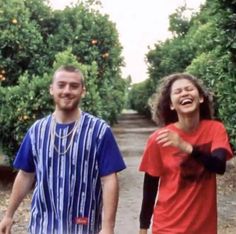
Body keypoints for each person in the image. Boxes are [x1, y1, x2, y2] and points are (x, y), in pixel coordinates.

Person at [0, 65, 126, 234]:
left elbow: (109, 180)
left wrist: (108, 227)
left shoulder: (99, 131)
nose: (67, 91)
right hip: (42, 226)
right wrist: (8, 215)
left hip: (83, 225)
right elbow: (25, 175)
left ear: (83, 91)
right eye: (61, 85)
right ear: (51, 89)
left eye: (74, 86)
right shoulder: (37, 130)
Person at [138, 73, 233, 234]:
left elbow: (219, 166)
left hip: (204, 229)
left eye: (189, 89)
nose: (184, 93)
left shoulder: (215, 129)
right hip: (168, 227)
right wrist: (143, 227)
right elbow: (150, 187)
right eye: (178, 91)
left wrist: (185, 146)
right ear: (171, 105)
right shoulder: (159, 139)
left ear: (201, 98)